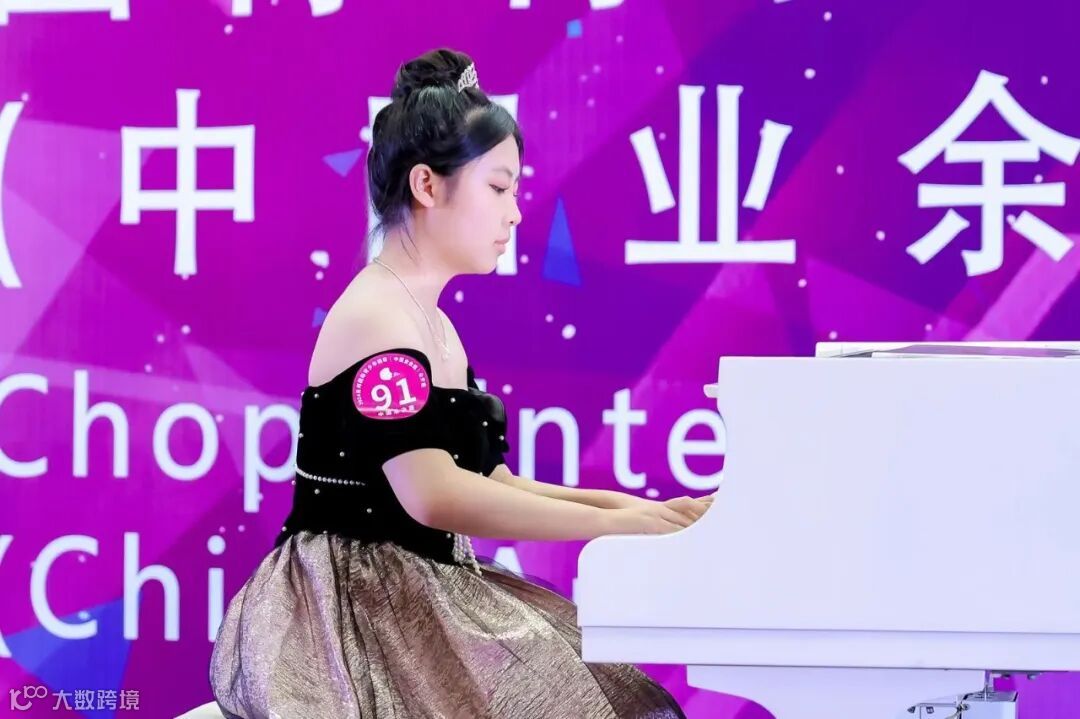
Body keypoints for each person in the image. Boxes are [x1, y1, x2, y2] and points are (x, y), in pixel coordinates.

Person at [209, 48, 709, 719]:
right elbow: (434, 494)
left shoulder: (433, 323)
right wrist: (617, 524)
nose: (515, 213)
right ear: (427, 185)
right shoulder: (378, 317)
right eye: (499, 188)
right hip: (352, 610)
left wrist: (637, 511)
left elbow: (490, 481)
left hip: (417, 589)